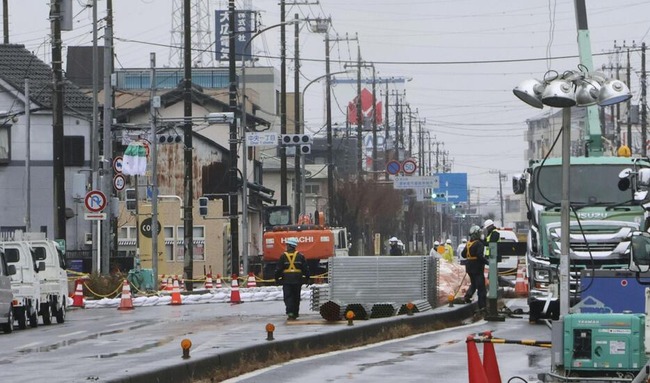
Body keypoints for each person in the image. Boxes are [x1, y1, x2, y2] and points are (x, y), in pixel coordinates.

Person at [274, 237, 310, 320]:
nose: (286, 246)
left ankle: (290, 313)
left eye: (287, 245)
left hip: (287, 280)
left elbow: (278, 269)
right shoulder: (300, 256)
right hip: (297, 279)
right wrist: (308, 278)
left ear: (290, 245)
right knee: (296, 297)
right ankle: (295, 313)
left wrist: (276, 278)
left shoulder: (283, 256)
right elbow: (305, 268)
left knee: (288, 296)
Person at [461, 225, 489, 312]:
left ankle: (467, 296)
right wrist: (488, 262)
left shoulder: (468, 243)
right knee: (481, 288)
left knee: (473, 284)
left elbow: (463, 255)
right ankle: (482, 306)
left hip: (469, 267)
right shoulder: (479, 244)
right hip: (477, 267)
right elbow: (479, 255)